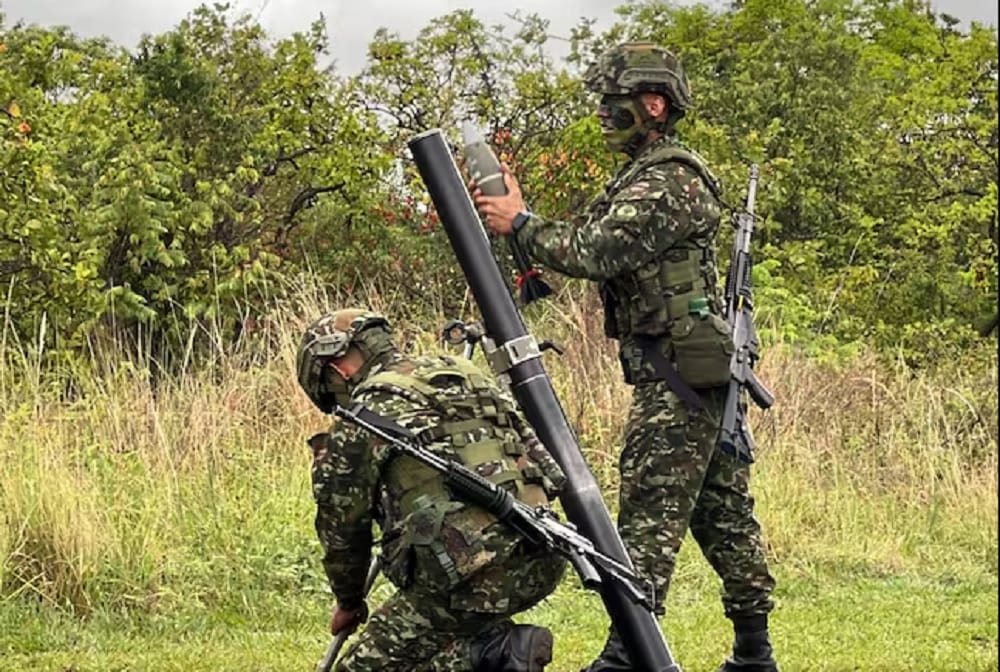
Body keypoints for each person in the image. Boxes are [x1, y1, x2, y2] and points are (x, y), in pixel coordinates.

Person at [471, 42, 779, 672]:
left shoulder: (672, 179)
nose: (605, 115)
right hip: (685, 370)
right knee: (722, 514)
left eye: (615, 103)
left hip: (680, 376)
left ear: (654, 104)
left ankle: (624, 657)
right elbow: (581, 235)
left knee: (646, 513)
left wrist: (521, 222)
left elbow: (596, 251)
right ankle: (755, 653)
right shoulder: (642, 175)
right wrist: (522, 216)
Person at [296, 308, 568, 671]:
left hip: (474, 579)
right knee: (442, 637)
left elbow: (343, 529)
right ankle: (490, 648)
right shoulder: (466, 377)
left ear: (337, 371)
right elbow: (549, 469)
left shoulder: (364, 414)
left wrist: (348, 602)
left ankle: (495, 654)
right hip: (544, 552)